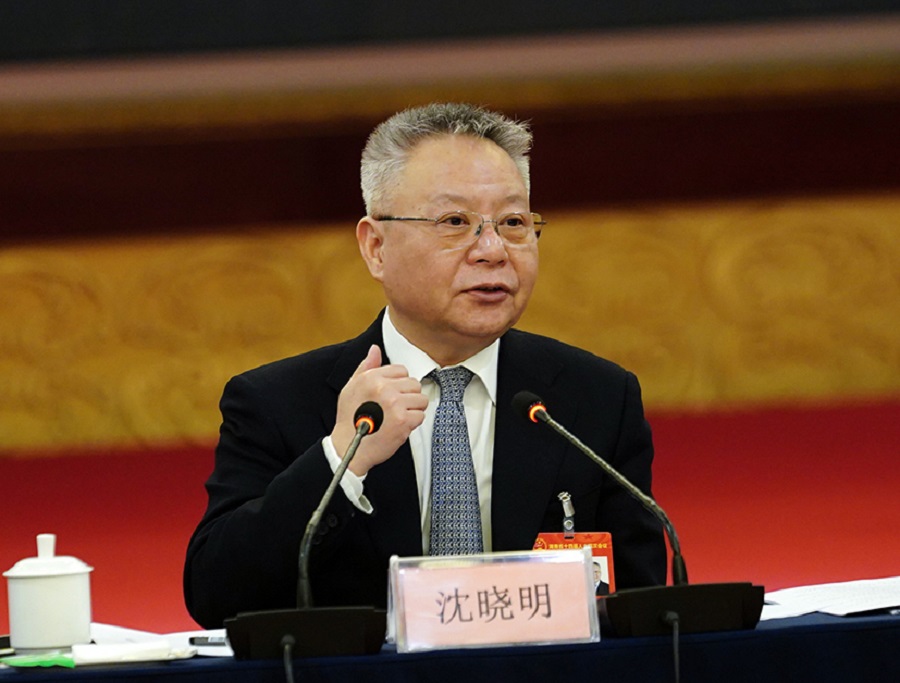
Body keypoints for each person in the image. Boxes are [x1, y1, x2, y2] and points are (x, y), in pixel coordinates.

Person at [184, 102, 666, 629]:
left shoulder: (594, 399)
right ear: (376, 248)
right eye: (455, 222)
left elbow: (640, 613)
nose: (492, 250)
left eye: (513, 223)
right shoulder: (278, 403)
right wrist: (340, 459)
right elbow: (214, 596)